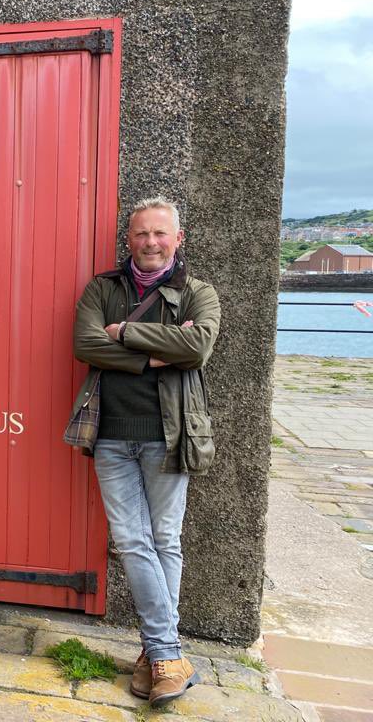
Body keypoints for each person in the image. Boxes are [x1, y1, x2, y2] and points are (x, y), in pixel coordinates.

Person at [65, 196, 221, 707]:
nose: (150, 242)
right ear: (128, 239)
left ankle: (157, 653)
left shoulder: (198, 293)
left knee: (165, 540)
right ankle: (166, 655)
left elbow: (197, 348)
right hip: (110, 434)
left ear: (178, 239)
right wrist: (155, 356)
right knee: (133, 542)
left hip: (170, 435)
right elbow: (86, 344)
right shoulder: (103, 288)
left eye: (160, 233)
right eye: (141, 234)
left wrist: (126, 332)